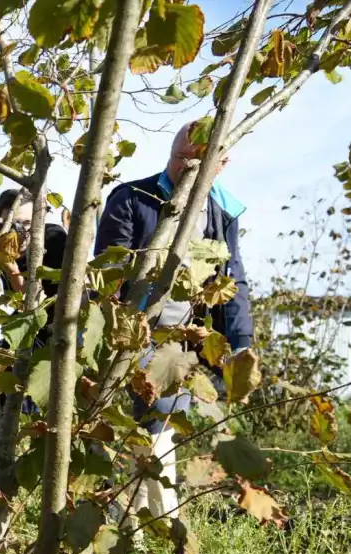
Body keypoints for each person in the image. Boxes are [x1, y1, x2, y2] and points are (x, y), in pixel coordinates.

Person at [94, 119, 253, 522]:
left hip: (186, 339)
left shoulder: (222, 211)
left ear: (221, 163)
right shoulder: (132, 198)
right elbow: (107, 273)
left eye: (197, 161)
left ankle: (136, 524)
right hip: (134, 332)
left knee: (159, 426)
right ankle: (156, 523)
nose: (185, 168)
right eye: (180, 157)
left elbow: (232, 279)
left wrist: (241, 341)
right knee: (152, 423)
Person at [0, 188, 69, 475]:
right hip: (22, 335)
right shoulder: (3, 245)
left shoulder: (53, 239)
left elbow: (36, 303)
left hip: (56, 335)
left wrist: (8, 264)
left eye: (28, 224)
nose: (22, 231)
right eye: (12, 224)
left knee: (59, 418)